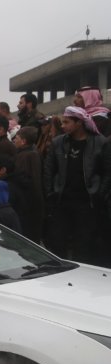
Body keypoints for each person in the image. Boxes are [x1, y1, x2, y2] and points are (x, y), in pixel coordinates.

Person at [43, 107, 110, 264]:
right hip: (62, 202)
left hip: (88, 204)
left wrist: (100, 195)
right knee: (58, 244)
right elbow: (48, 170)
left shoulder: (99, 142)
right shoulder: (58, 143)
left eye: (66, 122)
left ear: (79, 122)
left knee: (84, 247)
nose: (63, 126)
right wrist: (50, 194)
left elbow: (107, 172)